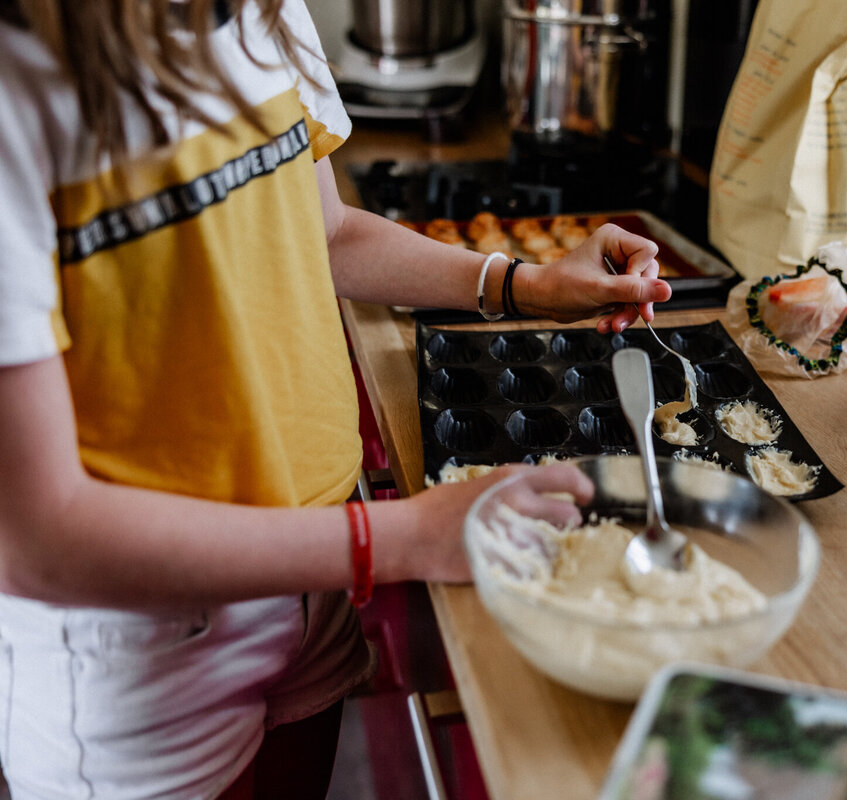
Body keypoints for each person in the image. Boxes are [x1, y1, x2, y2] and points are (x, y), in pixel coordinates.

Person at [0, 1, 670, 797]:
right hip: (142, 647)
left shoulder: (260, 14)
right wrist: (399, 539)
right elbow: (38, 535)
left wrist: (523, 283)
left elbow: (328, 232)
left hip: (314, 574)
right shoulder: (19, 79)